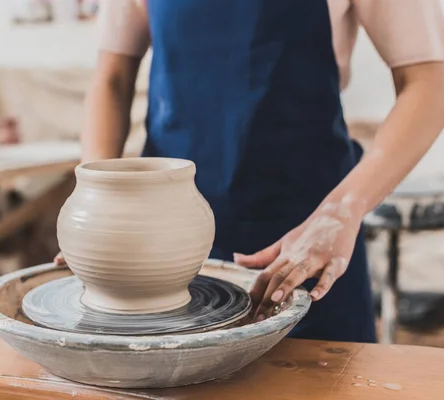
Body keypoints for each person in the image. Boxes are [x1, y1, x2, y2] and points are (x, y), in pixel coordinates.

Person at [55, 0, 444, 343]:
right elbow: (113, 76)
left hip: (304, 233)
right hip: (160, 231)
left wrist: (342, 210)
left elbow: (429, 81)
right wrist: (97, 200)